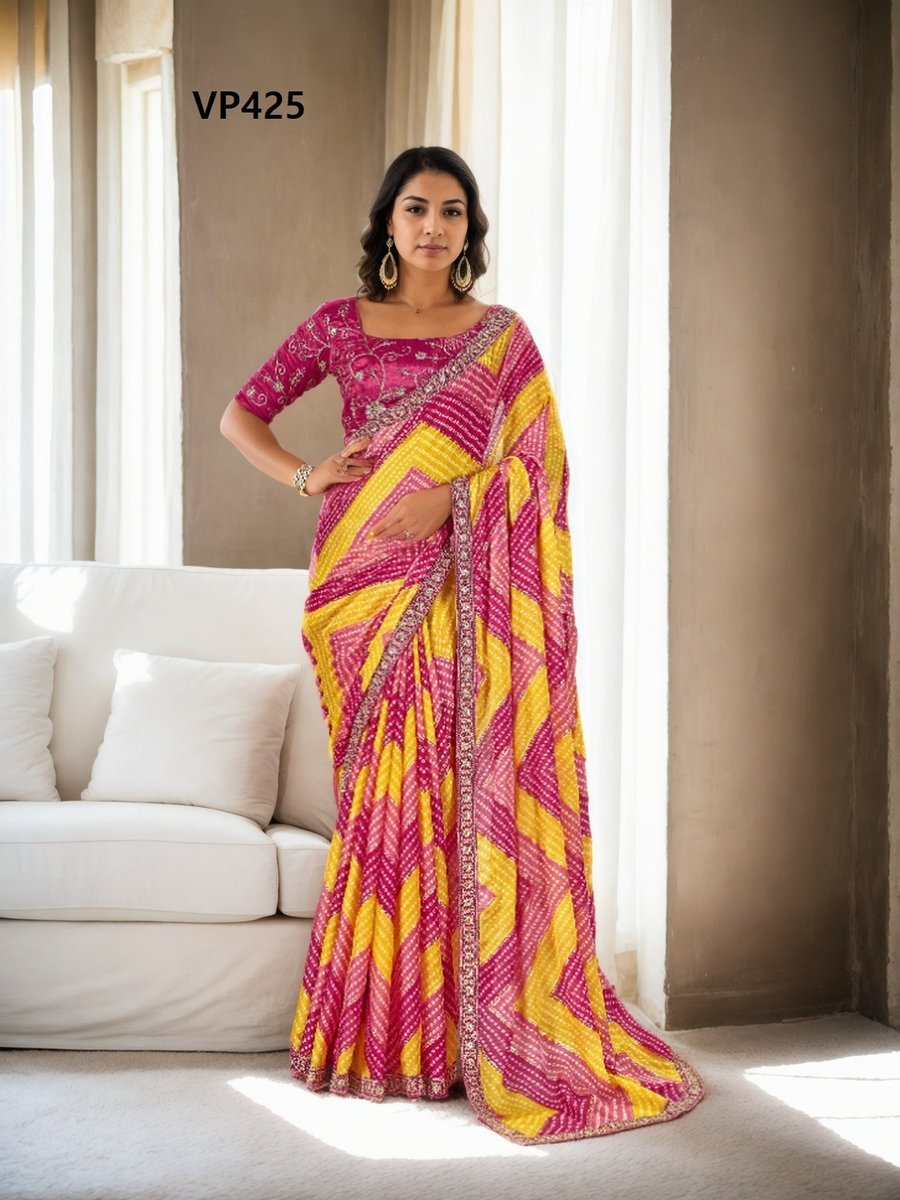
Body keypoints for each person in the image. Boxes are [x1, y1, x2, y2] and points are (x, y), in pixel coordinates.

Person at [221, 146, 705, 1145]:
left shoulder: (501, 338)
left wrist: (455, 498)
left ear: (469, 229)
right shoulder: (339, 325)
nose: (433, 227)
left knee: (448, 790)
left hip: (454, 585)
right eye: (416, 208)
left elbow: (541, 465)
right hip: (358, 587)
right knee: (381, 800)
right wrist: (309, 475)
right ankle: (382, 1035)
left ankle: (453, 1038)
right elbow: (242, 414)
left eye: (451, 211)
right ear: (388, 222)